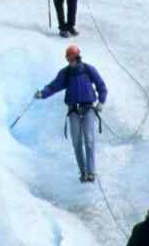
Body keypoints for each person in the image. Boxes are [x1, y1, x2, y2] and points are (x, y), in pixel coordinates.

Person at [36, 44, 107, 182]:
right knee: (76, 142)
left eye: (74, 58)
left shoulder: (88, 69)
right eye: (70, 59)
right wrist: (42, 93)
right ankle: (83, 172)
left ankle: (91, 172)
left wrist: (101, 102)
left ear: (78, 57)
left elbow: (101, 86)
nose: (73, 61)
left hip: (88, 109)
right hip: (73, 110)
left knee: (89, 140)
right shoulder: (66, 73)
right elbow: (53, 86)